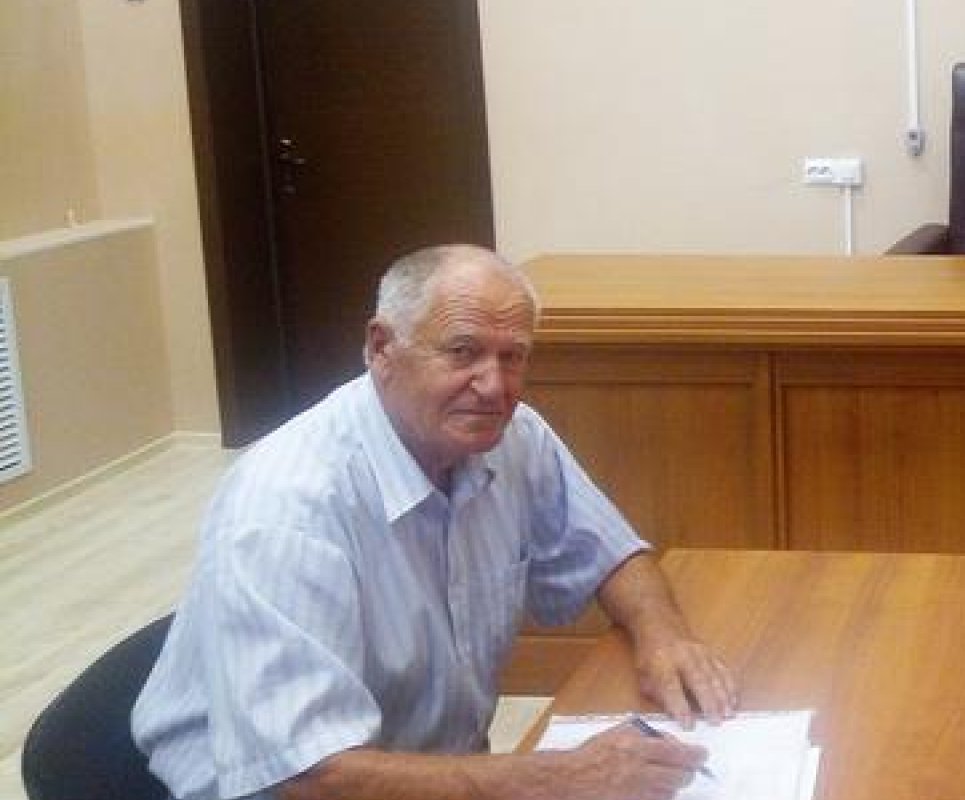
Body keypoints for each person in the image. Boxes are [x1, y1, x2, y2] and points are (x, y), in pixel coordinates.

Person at [133, 245, 737, 800]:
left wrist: (664, 635)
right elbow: (309, 777)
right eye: (462, 352)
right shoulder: (288, 508)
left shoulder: (512, 436)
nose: (493, 386)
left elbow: (610, 553)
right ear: (381, 348)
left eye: (513, 357)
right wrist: (558, 777)